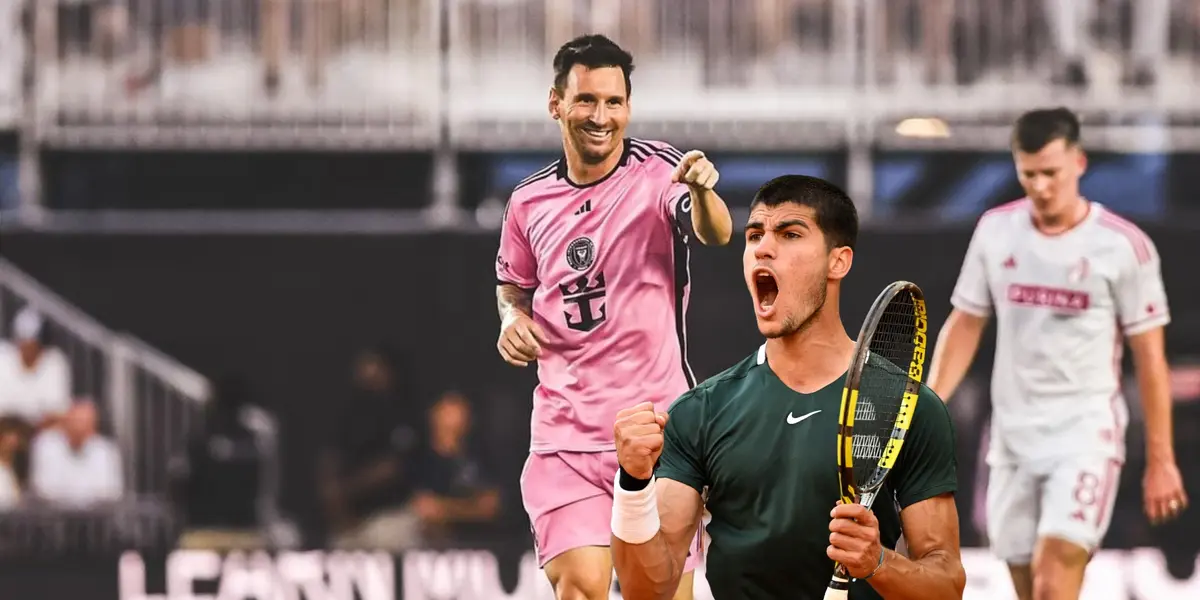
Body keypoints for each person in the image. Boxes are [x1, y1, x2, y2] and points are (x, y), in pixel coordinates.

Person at [610, 175, 966, 600]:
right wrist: (632, 484)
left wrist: (878, 563)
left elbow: (946, 584)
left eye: (790, 233)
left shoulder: (909, 408)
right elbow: (646, 590)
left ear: (839, 262)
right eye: (754, 235)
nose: (763, 247)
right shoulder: (699, 411)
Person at [493, 33, 733, 600]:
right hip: (565, 439)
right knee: (581, 587)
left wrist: (702, 191)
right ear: (556, 104)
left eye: (615, 102)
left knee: (662, 594)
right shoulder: (527, 202)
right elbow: (512, 287)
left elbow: (715, 232)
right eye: (587, 100)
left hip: (659, 430)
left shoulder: (660, 170)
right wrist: (510, 319)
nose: (602, 116)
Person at [927, 107, 1189, 600]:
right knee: (1031, 591)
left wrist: (1161, 459)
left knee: (1054, 581)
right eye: (1029, 174)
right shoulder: (994, 231)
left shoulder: (1122, 247)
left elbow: (1151, 360)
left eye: (1052, 172)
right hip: (1010, 442)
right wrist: (929, 403)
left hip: (1085, 437)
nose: (1041, 186)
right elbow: (965, 323)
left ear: (1079, 163)